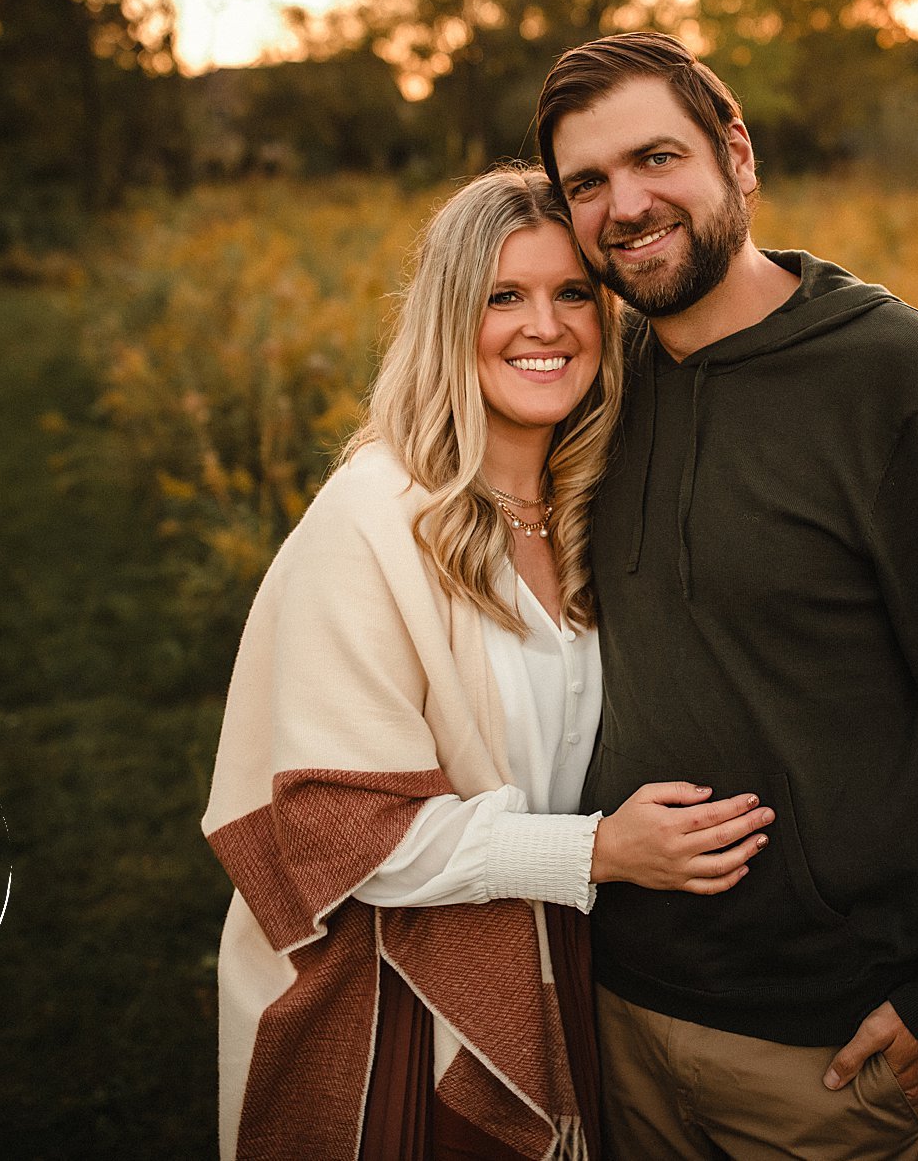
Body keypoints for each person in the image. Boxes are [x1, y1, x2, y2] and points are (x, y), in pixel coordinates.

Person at [535, 33, 918, 1159]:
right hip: (614, 1007)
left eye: (655, 158)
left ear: (736, 152)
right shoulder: (595, 382)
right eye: (585, 183)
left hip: (826, 1051)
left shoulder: (895, 378)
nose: (623, 205)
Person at [199, 165, 776, 1161]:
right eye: (502, 296)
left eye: (570, 295)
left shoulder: (594, 511)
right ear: (447, 319)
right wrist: (598, 852)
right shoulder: (372, 520)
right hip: (402, 1003)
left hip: (568, 967)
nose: (541, 326)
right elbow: (346, 835)